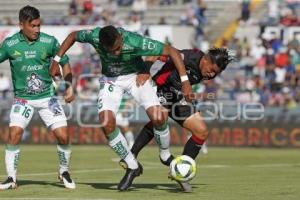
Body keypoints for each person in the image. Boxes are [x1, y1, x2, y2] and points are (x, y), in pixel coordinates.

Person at [50, 25, 192, 191]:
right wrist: (56, 60)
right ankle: (132, 165)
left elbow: (172, 51)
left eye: (119, 47)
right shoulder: (95, 36)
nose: (117, 52)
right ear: (101, 44)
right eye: (113, 50)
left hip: (136, 76)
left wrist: (185, 81)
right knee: (106, 123)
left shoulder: (135, 41)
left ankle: (165, 154)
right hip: (111, 80)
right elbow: (73, 35)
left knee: (159, 117)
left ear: (120, 38)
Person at [120, 48, 234, 191]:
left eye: (216, 73)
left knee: (202, 132)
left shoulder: (209, 73)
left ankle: (180, 170)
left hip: (178, 96)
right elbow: (154, 53)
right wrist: (146, 71)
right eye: (211, 70)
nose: (212, 74)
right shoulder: (188, 56)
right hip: (160, 89)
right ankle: (132, 156)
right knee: (160, 117)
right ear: (205, 59)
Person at [0, 5, 76, 190]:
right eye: (33, 26)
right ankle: (11, 178)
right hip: (22, 99)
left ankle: (64, 171)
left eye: (38, 25)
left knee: (63, 136)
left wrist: (68, 87)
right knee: (14, 134)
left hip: (47, 98)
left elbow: (65, 63)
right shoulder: (9, 44)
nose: (37, 29)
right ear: (21, 25)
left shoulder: (49, 42)